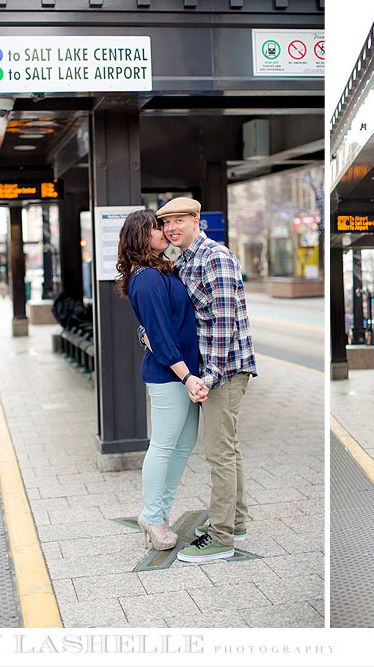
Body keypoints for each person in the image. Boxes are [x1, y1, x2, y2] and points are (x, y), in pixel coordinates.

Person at [144, 196, 258, 562]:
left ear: (197, 220)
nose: (172, 228)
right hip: (212, 369)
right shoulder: (185, 259)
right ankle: (235, 521)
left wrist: (208, 376)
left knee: (219, 453)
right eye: (167, 223)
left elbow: (224, 323)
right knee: (229, 448)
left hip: (225, 370)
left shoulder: (215, 257)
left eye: (180, 220)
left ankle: (222, 537)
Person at [115, 209, 206, 551]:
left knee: (182, 446)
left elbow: (155, 330)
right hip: (171, 376)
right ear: (142, 235)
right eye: (156, 227)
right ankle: (152, 517)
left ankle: (160, 513)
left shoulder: (158, 270)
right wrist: (187, 378)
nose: (163, 231)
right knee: (165, 446)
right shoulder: (147, 278)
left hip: (182, 374)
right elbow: (161, 334)